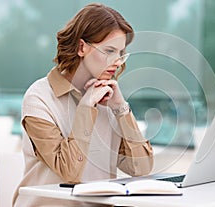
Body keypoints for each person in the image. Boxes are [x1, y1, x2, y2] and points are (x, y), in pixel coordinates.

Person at [13, 3, 153, 207]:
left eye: (121, 53)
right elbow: (69, 171)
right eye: (109, 51)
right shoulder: (39, 97)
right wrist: (86, 107)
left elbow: (141, 167)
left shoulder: (109, 97)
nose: (118, 62)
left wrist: (121, 107)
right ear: (81, 48)